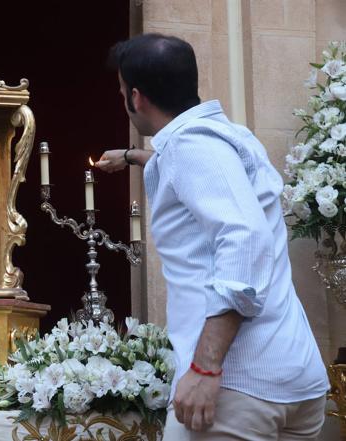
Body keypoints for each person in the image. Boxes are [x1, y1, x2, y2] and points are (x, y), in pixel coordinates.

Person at [96, 33, 329, 440]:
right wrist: (133, 156)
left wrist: (205, 367)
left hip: (237, 389)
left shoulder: (192, 147)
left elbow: (245, 238)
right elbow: (196, 172)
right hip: (292, 379)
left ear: (136, 97)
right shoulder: (227, 138)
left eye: (120, 92)